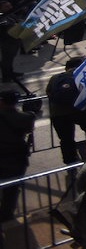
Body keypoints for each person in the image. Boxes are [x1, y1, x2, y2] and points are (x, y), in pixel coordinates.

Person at [46, 56, 86, 164]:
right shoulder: (83, 76)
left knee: (66, 140)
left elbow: (49, 93)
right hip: (83, 110)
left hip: (59, 114)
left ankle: (70, 164)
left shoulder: (55, 78)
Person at [0, 89, 33, 221]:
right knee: (11, 189)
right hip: (17, 158)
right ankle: (6, 215)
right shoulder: (26, 117)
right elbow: (29, 127)